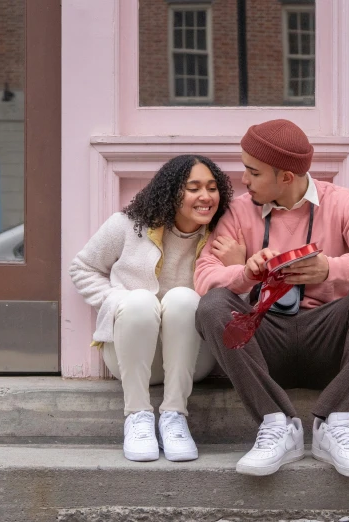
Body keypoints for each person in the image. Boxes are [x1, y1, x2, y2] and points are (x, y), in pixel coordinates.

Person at [194, 120, 349, 478]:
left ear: (286, 177)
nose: (243, 179)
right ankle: (278, 425)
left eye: (253, 172)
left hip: (327, 341)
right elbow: (203, 276)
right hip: (263, 342)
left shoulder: (342, 203)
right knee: (212, 306)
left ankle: (334, 423)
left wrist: (331, 269)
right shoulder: (238, 211)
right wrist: (245, 273)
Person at [70, 155, 238, 463]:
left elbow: (240, 298)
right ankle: (138, 417)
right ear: (172, 191)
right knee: (139, 300)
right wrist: (114, 301)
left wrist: (237, 263)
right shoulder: (128, 225)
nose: (206, 196)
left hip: (192, 360)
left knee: (184, 299)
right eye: (194, 188)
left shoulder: (223, 237)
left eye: (212, 188)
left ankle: (175, 416)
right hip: (128, 356)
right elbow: (83, 267)